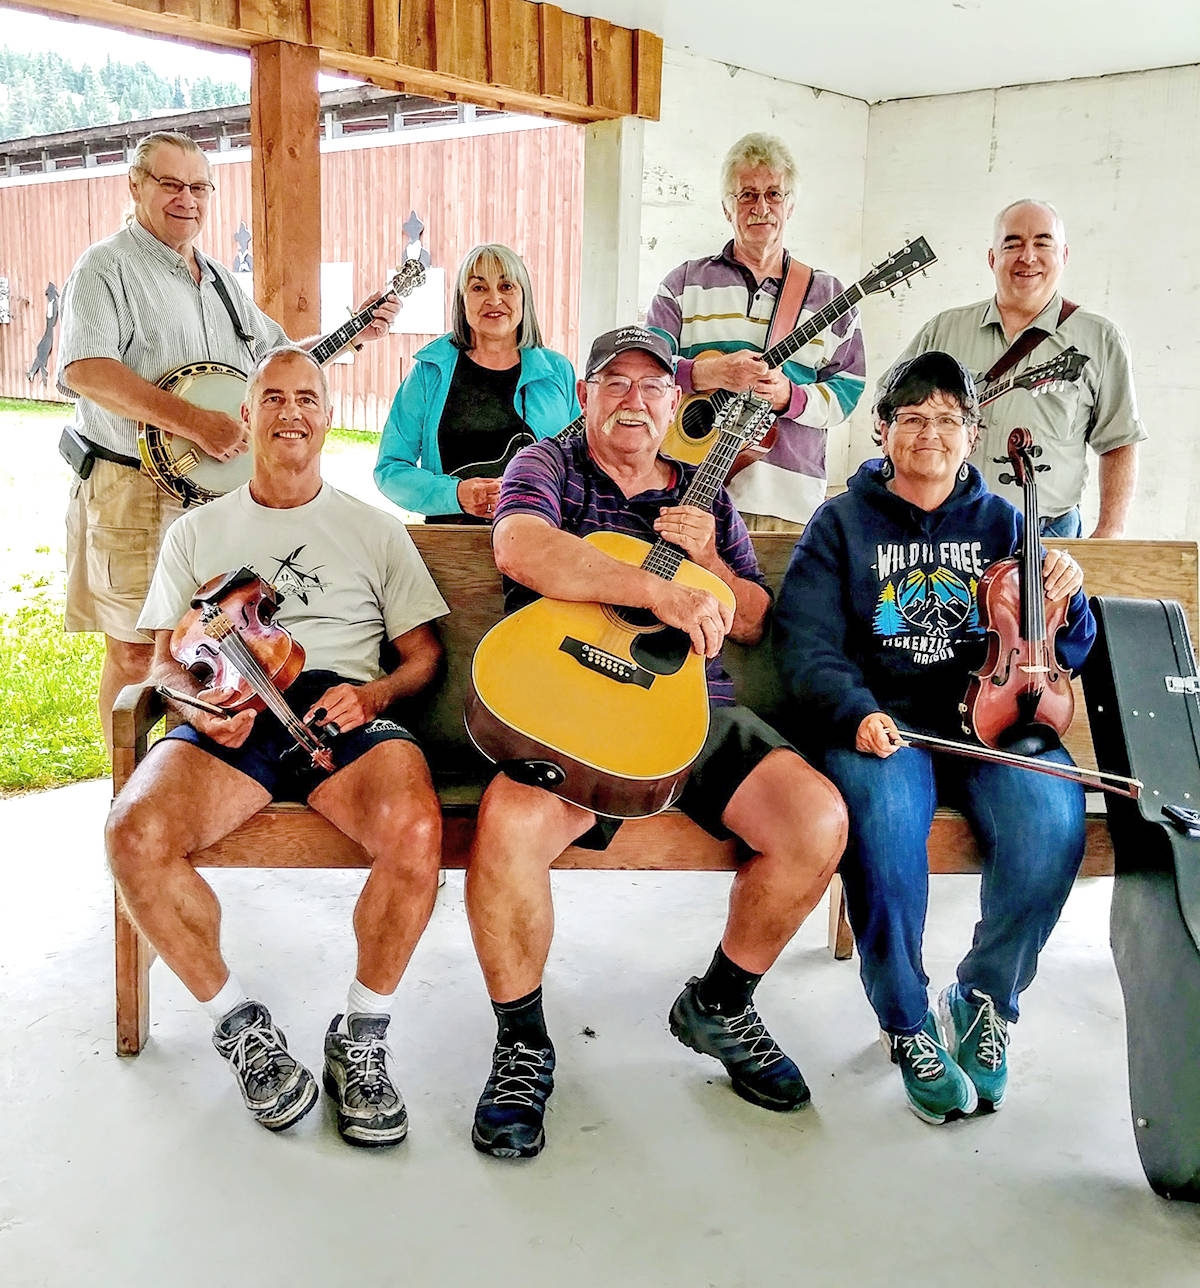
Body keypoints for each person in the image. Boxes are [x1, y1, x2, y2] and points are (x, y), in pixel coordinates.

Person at [463, 324, 847, 1159]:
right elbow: (520, 545)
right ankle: (524, 1042)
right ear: (586, 396)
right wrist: (653, 590)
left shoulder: (706, 495)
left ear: (676, 405)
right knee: (507, 822)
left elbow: (749, 620)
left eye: (650, 387)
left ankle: (720, 1002)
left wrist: (707, 564)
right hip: (575, 706)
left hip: (689, 716)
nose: (634, 400)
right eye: (615, 383)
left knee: (815, 821)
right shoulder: (548, 465)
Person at [105, 347, 449, 1146]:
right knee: (134, 834)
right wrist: (193, 699)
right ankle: (239, 1027)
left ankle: (361, 1036)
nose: (291, 412)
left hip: (339, 705)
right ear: (246, 416)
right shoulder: (198, 531)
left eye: (307, 398)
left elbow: (423, 656)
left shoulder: (373, 530)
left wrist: (372, 695)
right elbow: (162, 658)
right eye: (273, 398)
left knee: (416, 830)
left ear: (328, 416)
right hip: (231, 707)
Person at [774, 350, 1095, 1125]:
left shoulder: (1003, 522)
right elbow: (804, 642)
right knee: (882, 833)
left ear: (971, 432)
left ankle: (984, 999)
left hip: (995, 723)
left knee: (1054, 824)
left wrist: (1072, 596)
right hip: (886, 727)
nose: (930, 433)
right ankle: (908, 1022)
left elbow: (1065, 648)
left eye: (947, 419)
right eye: (912, 418)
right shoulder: (841, 524)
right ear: (882, 431)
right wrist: (855, 711)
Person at [57, 130, 398, 754]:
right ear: (135, 186)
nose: (186, 198)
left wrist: (353, 334)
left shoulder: (217, 279)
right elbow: (84, 369)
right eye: (169, 183)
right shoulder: (106, 266)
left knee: (202, 651)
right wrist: (194, 420)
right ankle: (128, 790)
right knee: (139, 651)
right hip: (132, 486)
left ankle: (188, 768)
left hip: (206, 503)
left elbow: (279, 357)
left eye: (198, 187)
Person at [881, 199, 1145, 538]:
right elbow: (888, 408)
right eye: (1013, 243)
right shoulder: (944, 330)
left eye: (1042, 243)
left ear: (1063, 255)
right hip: (946, 529)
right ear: (992, 258)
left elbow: (1119, 441)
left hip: (1047, 534)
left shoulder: (1100, 338)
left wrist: (1109, 534)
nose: (1028, 256)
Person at [646, 132, 865, 530]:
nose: (760, 207)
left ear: (791, 205)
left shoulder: (829, 295)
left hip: (787, 504)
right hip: (685, 493)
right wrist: (706, 373)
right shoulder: (682, 283)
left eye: (773, 194)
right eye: (746, 195)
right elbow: (648, 369)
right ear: (727, 208)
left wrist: (790, 397)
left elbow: (848, 390)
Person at [374, 243, 579, 523]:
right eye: (479, 288)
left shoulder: (557, 371)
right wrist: (455, 494)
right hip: (453, 542)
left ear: (524, 298)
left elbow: (582, 464)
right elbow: (390, 469)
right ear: (462, 299)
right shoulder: (429, 371)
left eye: (506, 286)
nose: (494, 299)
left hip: (540, 540)